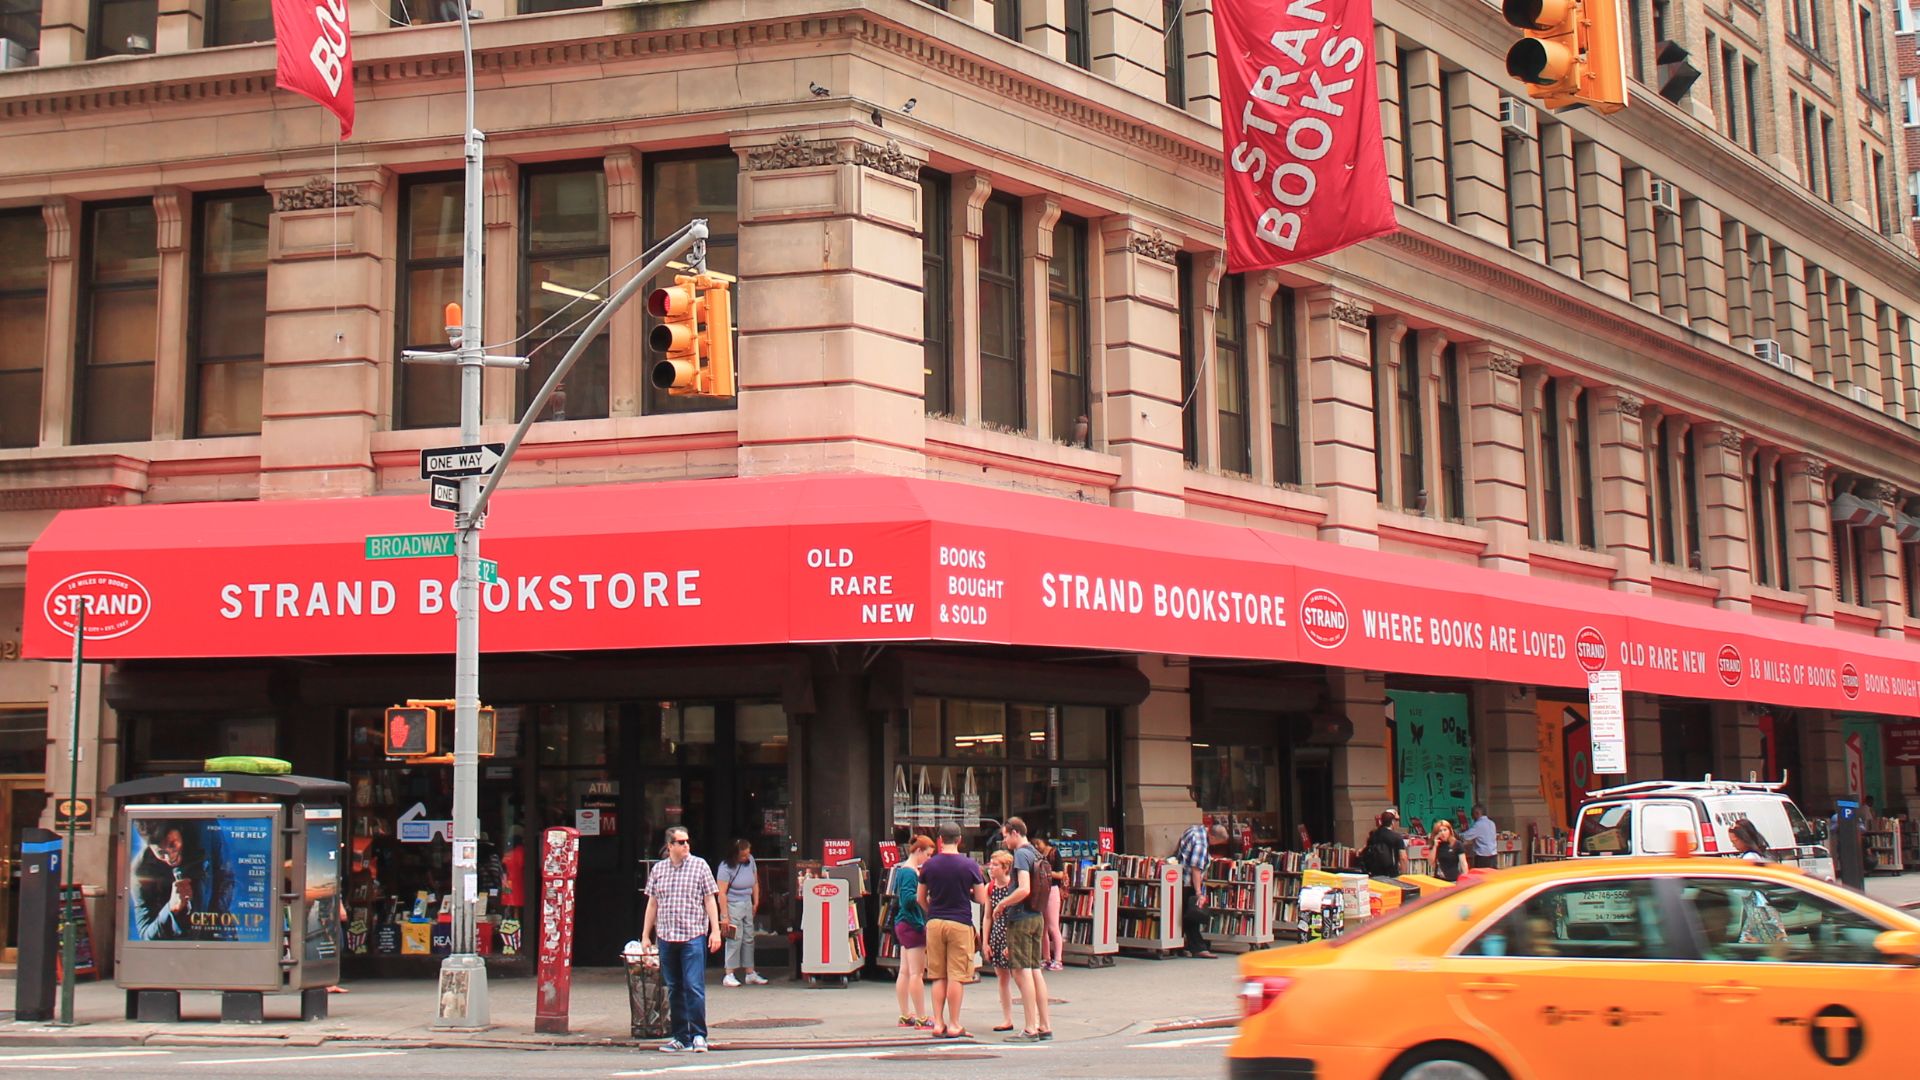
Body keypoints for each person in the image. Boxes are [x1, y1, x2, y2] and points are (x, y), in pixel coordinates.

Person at [641, 826, 722, 1053]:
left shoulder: (699, 866)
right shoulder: (658, 870)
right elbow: (652, 903)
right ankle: (680, 1036)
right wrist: (646, 935)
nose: (686, 845)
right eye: (681, 842)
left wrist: (715, 931)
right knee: (674, 987)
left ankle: (698, 1035)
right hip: (666, 936)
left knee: (693, 986)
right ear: (670, 846)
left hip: (692, 935)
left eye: (687, 841)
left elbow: (709, 900)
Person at [917, 821, 987, 1039]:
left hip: (935, 922)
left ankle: (938, 1023)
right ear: (959, 840)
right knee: (956, 976)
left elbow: (920, 898)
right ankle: (954, 1024)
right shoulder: (970, 865)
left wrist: (932, 912)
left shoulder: (929, 865)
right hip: (960, 922)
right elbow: (981, 898)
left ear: (939, 840)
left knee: (938, 975)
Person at [996, 818, 1053, 1042]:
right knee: (1035, 970)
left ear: (1015, 833)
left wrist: (1002, 904)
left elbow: (1024, 888)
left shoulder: (1021, 854)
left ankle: (1030, 1028)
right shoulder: (1037, 853)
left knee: (1021, 971)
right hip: (1036, 916)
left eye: (1006, 835)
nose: (1004, 840)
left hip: (1020, 917)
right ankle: (1044, 1025)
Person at [890, 835, 934, 1029]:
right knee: (916, 973)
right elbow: (908, 898)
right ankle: (922, 1017)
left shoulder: (902, 870)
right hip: (912, 924)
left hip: (902, 923)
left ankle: (905, 1014)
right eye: (928, 854)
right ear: (918, 851)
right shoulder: (910, 873)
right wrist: (926, 897)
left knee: (905, 971)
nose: (929, 859)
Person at [717, 838, 766, 987]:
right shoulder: (725, 867)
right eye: (743, 855)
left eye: (747, 854)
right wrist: (724, 915)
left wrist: (756, 901)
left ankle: (750, 972)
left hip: (746, 902)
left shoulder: (750, 861)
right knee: (734, 938)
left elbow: (755, 882)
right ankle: (729, 973)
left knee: (749, 937)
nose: (746, 857)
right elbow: (722, 893)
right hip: (733, 903)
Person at [1174, 821, 1227, 958]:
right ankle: (1198, 948)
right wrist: (1198, 892)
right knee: (1193, 915)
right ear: (1213, 837)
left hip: (1178, 879)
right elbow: (1196, 868)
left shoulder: (1194, 829)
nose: (1215, 846)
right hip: (1188, 881)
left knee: (1183, 914)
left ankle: (1180, 946)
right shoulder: (1201, 844)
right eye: (1218, 843)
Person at [983, 851, 1018, 1034]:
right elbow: (987, 916)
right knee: (1002, 978)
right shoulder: (990, 887)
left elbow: (1018, 916)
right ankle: (1007, 1018)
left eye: (995, 865)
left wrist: (1011, 943)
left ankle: (1033, 1017)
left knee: (1021, 977)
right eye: (991, 864)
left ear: (1005, 868)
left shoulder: (1014, 888)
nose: (991, 868)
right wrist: (985, 941)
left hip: (1012, 932)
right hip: (997, 933)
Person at [1034, 836, 1066, 971]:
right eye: (1034, 844)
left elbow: (1060, 874)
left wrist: (1046, 872)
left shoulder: (1054, 853)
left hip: (1052, 889)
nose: (1036, 846)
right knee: (1043, 927)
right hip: (1041, 890)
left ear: (1044, 841)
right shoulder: (1036, 855)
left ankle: (1058, 959)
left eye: (1038, 843)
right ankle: (1046, 958)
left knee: (1053, 926)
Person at [1363, 809, 1409, 877]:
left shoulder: (1373, 834)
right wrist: (1404, 875)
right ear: (1392, 822)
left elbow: (1365, 849)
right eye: (1397, 820)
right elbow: (1403, 857)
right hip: (1391, 874)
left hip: (1374, 873)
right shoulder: (1397, 837)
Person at [1429, 818, 1467, 882]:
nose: (1443, 833)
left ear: (1449, 831)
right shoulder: (1436, 844)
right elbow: (1430, 862)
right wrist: (1435, 846)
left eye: (1445, 830)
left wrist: (1465, 878)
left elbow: (1463, 863)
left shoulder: (1457, 844)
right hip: (1439, 880)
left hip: (1453, 880)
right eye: (1440, 831)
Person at [1463, 804, 1499, 870]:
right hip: (1493, 856)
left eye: (1472, 814)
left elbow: (1465, 836)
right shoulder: (1492, 823)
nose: (1472, 817)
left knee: (1481, 877)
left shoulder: (1479, 824)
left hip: (1483, 857)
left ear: (1477, 813)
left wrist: (1457, 833)